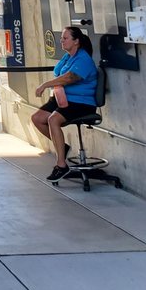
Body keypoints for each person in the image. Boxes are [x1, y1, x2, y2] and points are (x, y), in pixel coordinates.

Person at [31, 26, 98, 182]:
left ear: (76, 41)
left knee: (53, 119)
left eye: (65, 38)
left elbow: (70, 78)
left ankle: (61, 165)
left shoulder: (84, 59)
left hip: (80, 102)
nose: (61, 41)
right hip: (63, 99)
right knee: (37, 118)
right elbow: (59, 73)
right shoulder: (68, 56)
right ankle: (63, 147)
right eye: (61, 38)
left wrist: (45, 84)